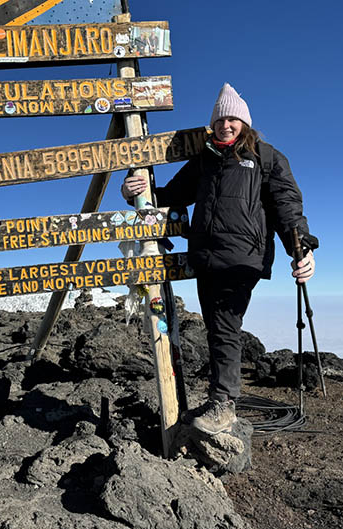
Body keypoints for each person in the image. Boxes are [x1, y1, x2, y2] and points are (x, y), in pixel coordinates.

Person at [121, 83, 319, 435]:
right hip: (207, 257)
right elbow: (170, 194)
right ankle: (219, 398)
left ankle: (224, 404)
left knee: (225, 327)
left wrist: (302, 249)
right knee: (217, 328)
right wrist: (132, 192)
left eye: (232, 119)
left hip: (242, 257)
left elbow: (287, 207)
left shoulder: (265, 157)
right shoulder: (205, 160)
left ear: (244, 122)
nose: (226, 125)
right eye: (219, 120)